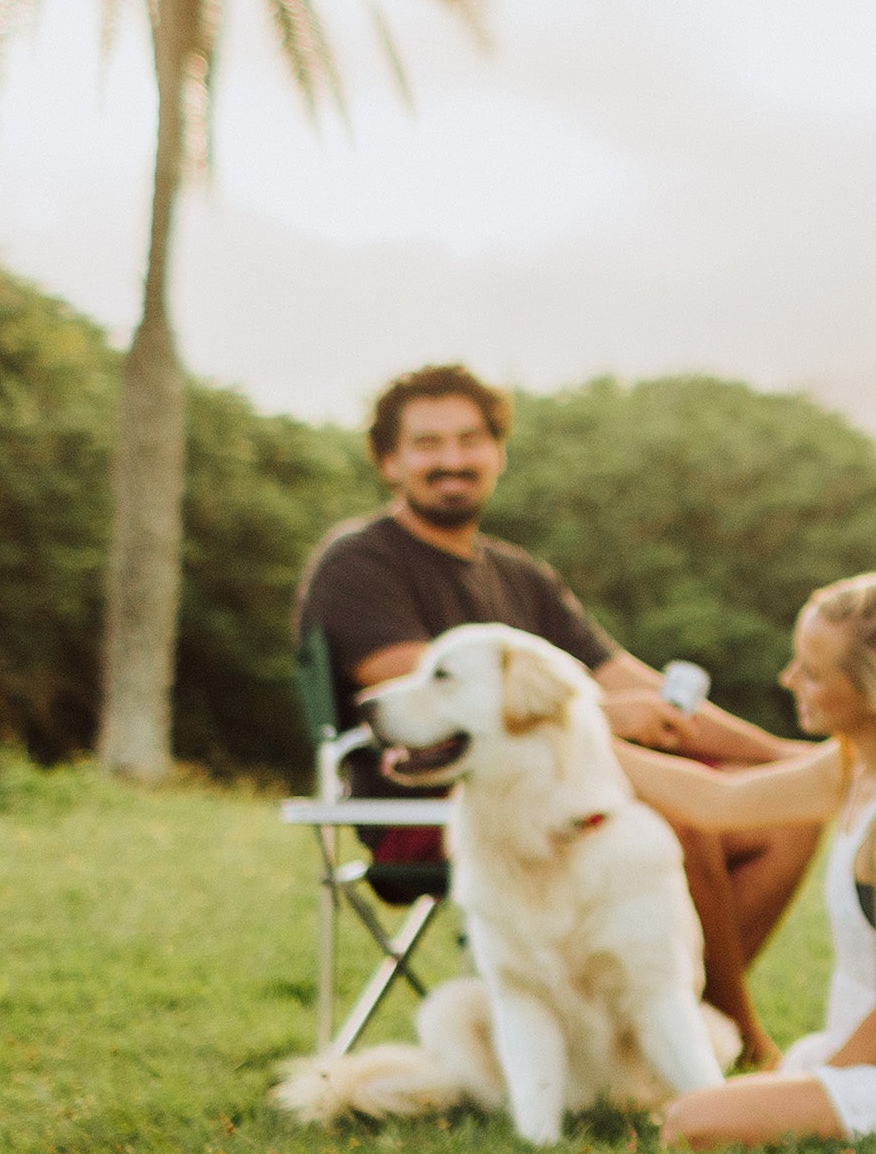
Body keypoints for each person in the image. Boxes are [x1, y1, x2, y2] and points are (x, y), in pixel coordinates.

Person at [295, 365, 820, 1067]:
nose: (451, 459)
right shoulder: (360, 564)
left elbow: (645, 688)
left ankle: (670, 1027)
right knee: (674, 816)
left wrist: (785, 757)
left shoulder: (521, 576)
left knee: (785, 818)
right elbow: (429, 699)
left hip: (562, 795)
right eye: (427, 443)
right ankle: (741, 1045)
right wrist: (605, 714)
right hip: (439, 807)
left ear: (497, 451)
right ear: (389, 460)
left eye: (469, 439)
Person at [616, 571, 876, 1149]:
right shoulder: (852, 766)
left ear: (875, 690)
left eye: (813, 673)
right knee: (727, 1099)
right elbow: (719, 802)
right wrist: (588, 733)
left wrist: (815, 1088)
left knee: (688, 1123)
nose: (789, 679)